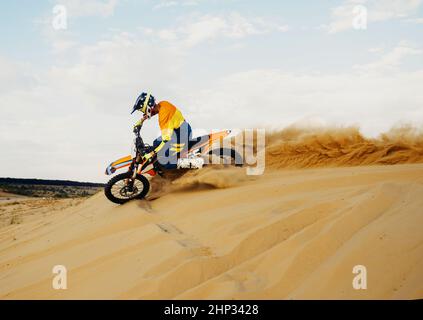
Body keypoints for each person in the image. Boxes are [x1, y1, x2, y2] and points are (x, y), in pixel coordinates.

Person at [131, 92, 204, 169]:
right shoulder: (162, 104)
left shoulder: (163, 115)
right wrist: (142, 120)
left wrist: (152, 153)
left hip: (182, 136)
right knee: (156, 143)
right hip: (179, 131)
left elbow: (166, 140)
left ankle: (195, 163)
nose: (144, 113)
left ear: (148, 108)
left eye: (143, 111)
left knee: (164, 160)